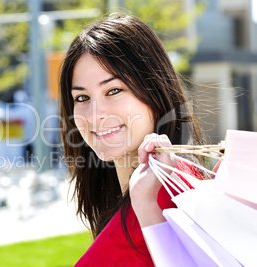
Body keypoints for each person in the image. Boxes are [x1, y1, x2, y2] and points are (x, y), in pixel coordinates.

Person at [59, 14, 205, 266]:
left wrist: (147, 206)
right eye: (82, 98)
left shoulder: (170, 192)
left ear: (154, 91)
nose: (94, 116)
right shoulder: (137, 197)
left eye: (114, 91)